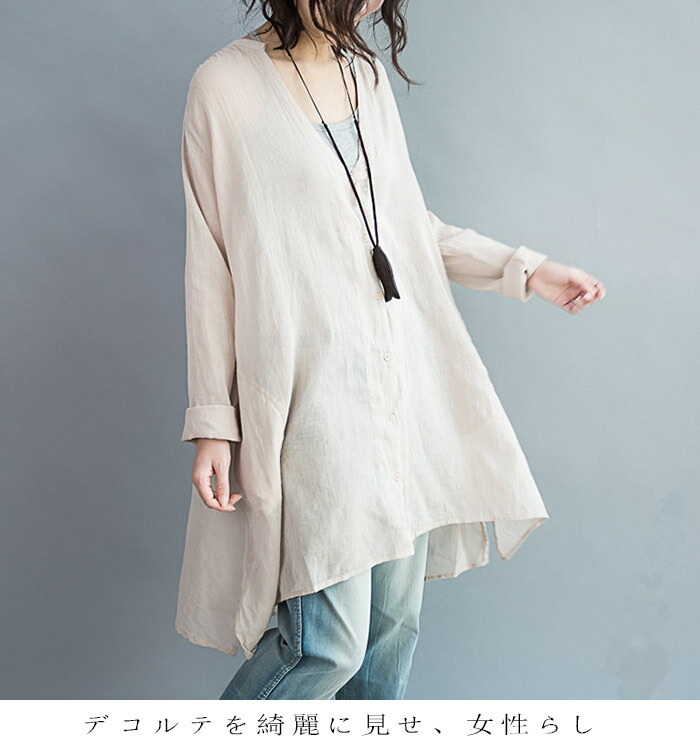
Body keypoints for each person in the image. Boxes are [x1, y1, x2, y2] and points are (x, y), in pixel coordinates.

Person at [175, 0, 606, 700]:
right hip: (308, 398)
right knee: (325, 647)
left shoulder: (364, 74)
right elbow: (210, 266)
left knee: (389, 640)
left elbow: (402, 229)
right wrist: (213, 421)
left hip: (398, 389)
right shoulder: (224, 87)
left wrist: (524, 270)